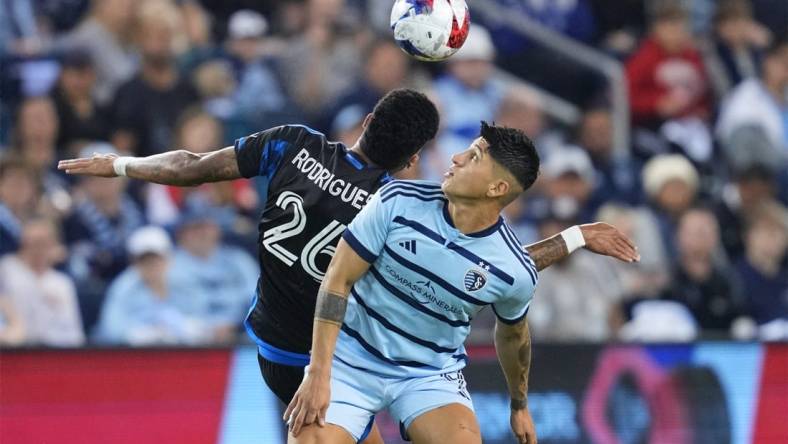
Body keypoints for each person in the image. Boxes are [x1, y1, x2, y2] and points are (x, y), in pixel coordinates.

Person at [58, 89, 636, 443]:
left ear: (362, 123)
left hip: (276, 348)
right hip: (333, 356)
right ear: (414, 158)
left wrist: (122, 165)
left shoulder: (293, 144)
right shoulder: (399, 202)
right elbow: (492, 263)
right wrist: (574, 239)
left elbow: (189, 165)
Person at [283, 122, 639, 444]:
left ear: (497, 187)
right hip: (350, 361)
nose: (454, 157)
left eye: (472, 157)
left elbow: (514, 336)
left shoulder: (513, 269)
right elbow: (337, 281)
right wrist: (318, 371)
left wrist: (519, 405)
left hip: (427, 373)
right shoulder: (397, 202)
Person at [0, 218, 84, 347]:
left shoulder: (62, 283)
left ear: (53, 245)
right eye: (31, 243)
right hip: (13, 351)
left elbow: (74, 335)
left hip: (53, 354)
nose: (37, 250)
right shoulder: (6, 270)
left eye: (42, 243)